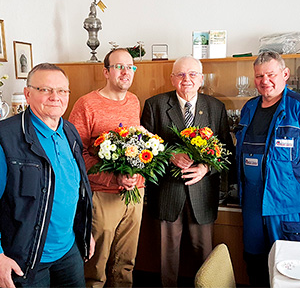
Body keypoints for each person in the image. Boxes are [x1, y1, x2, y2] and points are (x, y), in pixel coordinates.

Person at [141, 55, 234, 287]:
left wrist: (205, 167)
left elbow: (226, 151)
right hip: (167, 194)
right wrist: (169, 156)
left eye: (192, 74)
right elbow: (143, 150)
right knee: (167, 257)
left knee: (205, 258)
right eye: (181, 74)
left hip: (202, 195)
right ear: (172, 79)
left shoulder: (216, 107)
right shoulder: (155, 105)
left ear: (201, 79)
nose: (187, 79)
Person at [0, 63, 94, 288]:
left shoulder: (69, 131)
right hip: (27, 257)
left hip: (68, 250)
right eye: (45, 90)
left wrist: (85, 230)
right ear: (27, 94)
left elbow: (78, 188)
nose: (55, 97)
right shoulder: (6, 137)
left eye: (62, 90)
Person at [69, 48, 145, 288]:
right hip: (102, 196)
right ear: (106, 72)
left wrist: (135, 175)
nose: (126, 72)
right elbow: (76, 153)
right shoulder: (87, 104)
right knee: (96, 265)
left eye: (130, 67)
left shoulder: (134, 101)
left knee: (126, 263)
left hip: (135, 194)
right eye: (119, 67)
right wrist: (114, 178)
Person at [235, 51, 300, 287]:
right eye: (259, 76)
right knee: (254, 262)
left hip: (285, 204)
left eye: (271, 74)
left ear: (285, 74)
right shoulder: (249, 108)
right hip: (251, 200)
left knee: (286, 266)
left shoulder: (297, 108)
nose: (265, 81)